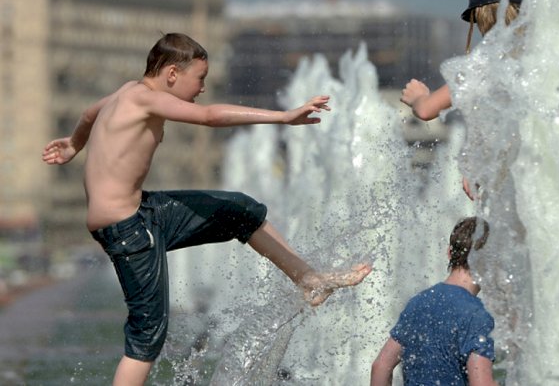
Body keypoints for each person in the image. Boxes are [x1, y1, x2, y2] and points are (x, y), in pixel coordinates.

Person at [42, 33, 372, 386]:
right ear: (171, 74)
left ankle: (308, 280)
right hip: (129, 228)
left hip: (144, 211)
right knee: (148, 332)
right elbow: (211, 117)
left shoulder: (126, 92)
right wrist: (284, 117)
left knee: (240, 210)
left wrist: (74, 144)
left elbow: (88, 113)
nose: (201, 88)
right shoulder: (144, 99)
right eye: (199, 78)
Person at [398, 0, 524, 199]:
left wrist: (418, 96)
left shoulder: (483, 64)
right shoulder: (541, 59)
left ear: (477, 19)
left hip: (510, 186)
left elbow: (426, 110)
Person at [371, 217, 498, 386]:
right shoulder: (477, 316)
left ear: (449, 253)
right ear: (488, 262)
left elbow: (380, 366)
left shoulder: (417, 303)